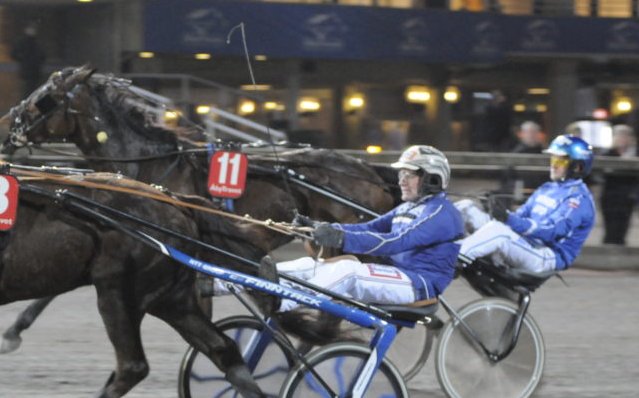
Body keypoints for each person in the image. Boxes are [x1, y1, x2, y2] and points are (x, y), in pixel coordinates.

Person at [268, 145, 464, 308]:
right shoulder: (408, 207)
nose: (401, 181)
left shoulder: (441, 213)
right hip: (397, 275)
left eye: (409, 175)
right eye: (401, 174)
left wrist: (339, 238)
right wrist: (320, 228)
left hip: (418, 284)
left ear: (433, 180)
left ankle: (284, 304)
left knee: (348, 270)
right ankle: (260, 283)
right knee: (309, 266)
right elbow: (371, 227)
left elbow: (395, 242)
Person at [457, 134, 595, 273]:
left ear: (577, 167)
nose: (553, 165)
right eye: (553, 159)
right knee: (466, 207)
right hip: (526, 244)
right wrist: (495, 210)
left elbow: (551, 231)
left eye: (561, 161)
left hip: (546, 255)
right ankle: (438, 246)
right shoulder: (547, 188)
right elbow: (520, 215)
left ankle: (450, 259)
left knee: (497, 231)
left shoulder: (578, 200)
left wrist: (506, 219)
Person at [598, 124, 638, 245]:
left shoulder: (634, 153)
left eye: (625, 136)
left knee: (623, 225)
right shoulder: (607, 153)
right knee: (610, 225)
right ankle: (608, 250)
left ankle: (619, 250)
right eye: (620, 136)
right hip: (610, 193)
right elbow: (601, 172)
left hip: (627, 194)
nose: (622, 139)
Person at [11, 22, 46, 99]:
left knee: (40, 95)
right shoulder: (22, 42)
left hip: (36, 73)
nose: (32, 31)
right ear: (26, 30)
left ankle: (43, 110)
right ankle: (25, 110)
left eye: (33, 29)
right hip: (26, 74)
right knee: (26, 95)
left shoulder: (37, 42)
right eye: (30, 29)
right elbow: (14, 54)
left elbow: (43, 55)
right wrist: (24, 58)